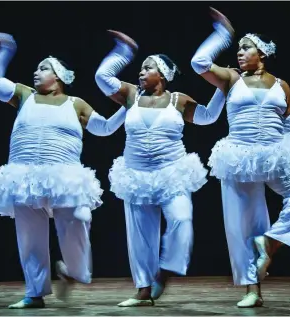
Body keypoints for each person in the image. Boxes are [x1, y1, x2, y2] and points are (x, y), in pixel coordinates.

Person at [190, 7, 290, 308]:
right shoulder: (231, 79)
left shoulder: (282, 85)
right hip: (239, 156)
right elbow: (199, 62)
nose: (240, 53)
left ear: (263, 53)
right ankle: (252, 291)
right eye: (239, 47)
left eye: (246, 47)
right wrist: (222, 35)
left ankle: (269, 242)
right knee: (244, 224)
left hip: (277, 154)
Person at [0, 31, 127, 309]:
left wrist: (128, 108)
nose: (36, 72)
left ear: (58, 75)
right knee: (29, 235)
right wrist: (5, 48)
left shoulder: (76, 104)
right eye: (36, 68)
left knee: (80, 218)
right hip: (23, 176)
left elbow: (105, 128)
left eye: (43, 68)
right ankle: (34, 293)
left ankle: (74, 271)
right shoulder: (25, 95)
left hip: (65, 176)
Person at [94, 30, 227, 307]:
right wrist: (123, 52)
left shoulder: (178, 100)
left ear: (163, 74)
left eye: (147, 67)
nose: (141, 72)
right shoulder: (131, 95)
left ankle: (166, 271)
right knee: (140, 235)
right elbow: (102, 78)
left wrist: (222, 89)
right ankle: (142, 291)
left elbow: (208, 117)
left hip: (172, 172)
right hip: (136, 173)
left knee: (182, 220)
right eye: (141, 67)